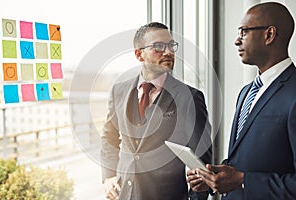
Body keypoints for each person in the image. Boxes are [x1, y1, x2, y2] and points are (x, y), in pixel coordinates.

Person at [187, 2, 296, 199]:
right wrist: (212, 180)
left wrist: (243, 180)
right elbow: (242, 161)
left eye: (244, 32)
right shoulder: (246, 92)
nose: (237, 41)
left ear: (269, 35)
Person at [101, 22, 212, 200]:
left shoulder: (190, 97)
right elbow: (109, 137)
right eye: (159, 47)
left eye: (171, 45)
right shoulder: (119, 91)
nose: (168, 52)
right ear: (139, 54)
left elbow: (201, 159)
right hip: (124, 194)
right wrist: (108, 176)